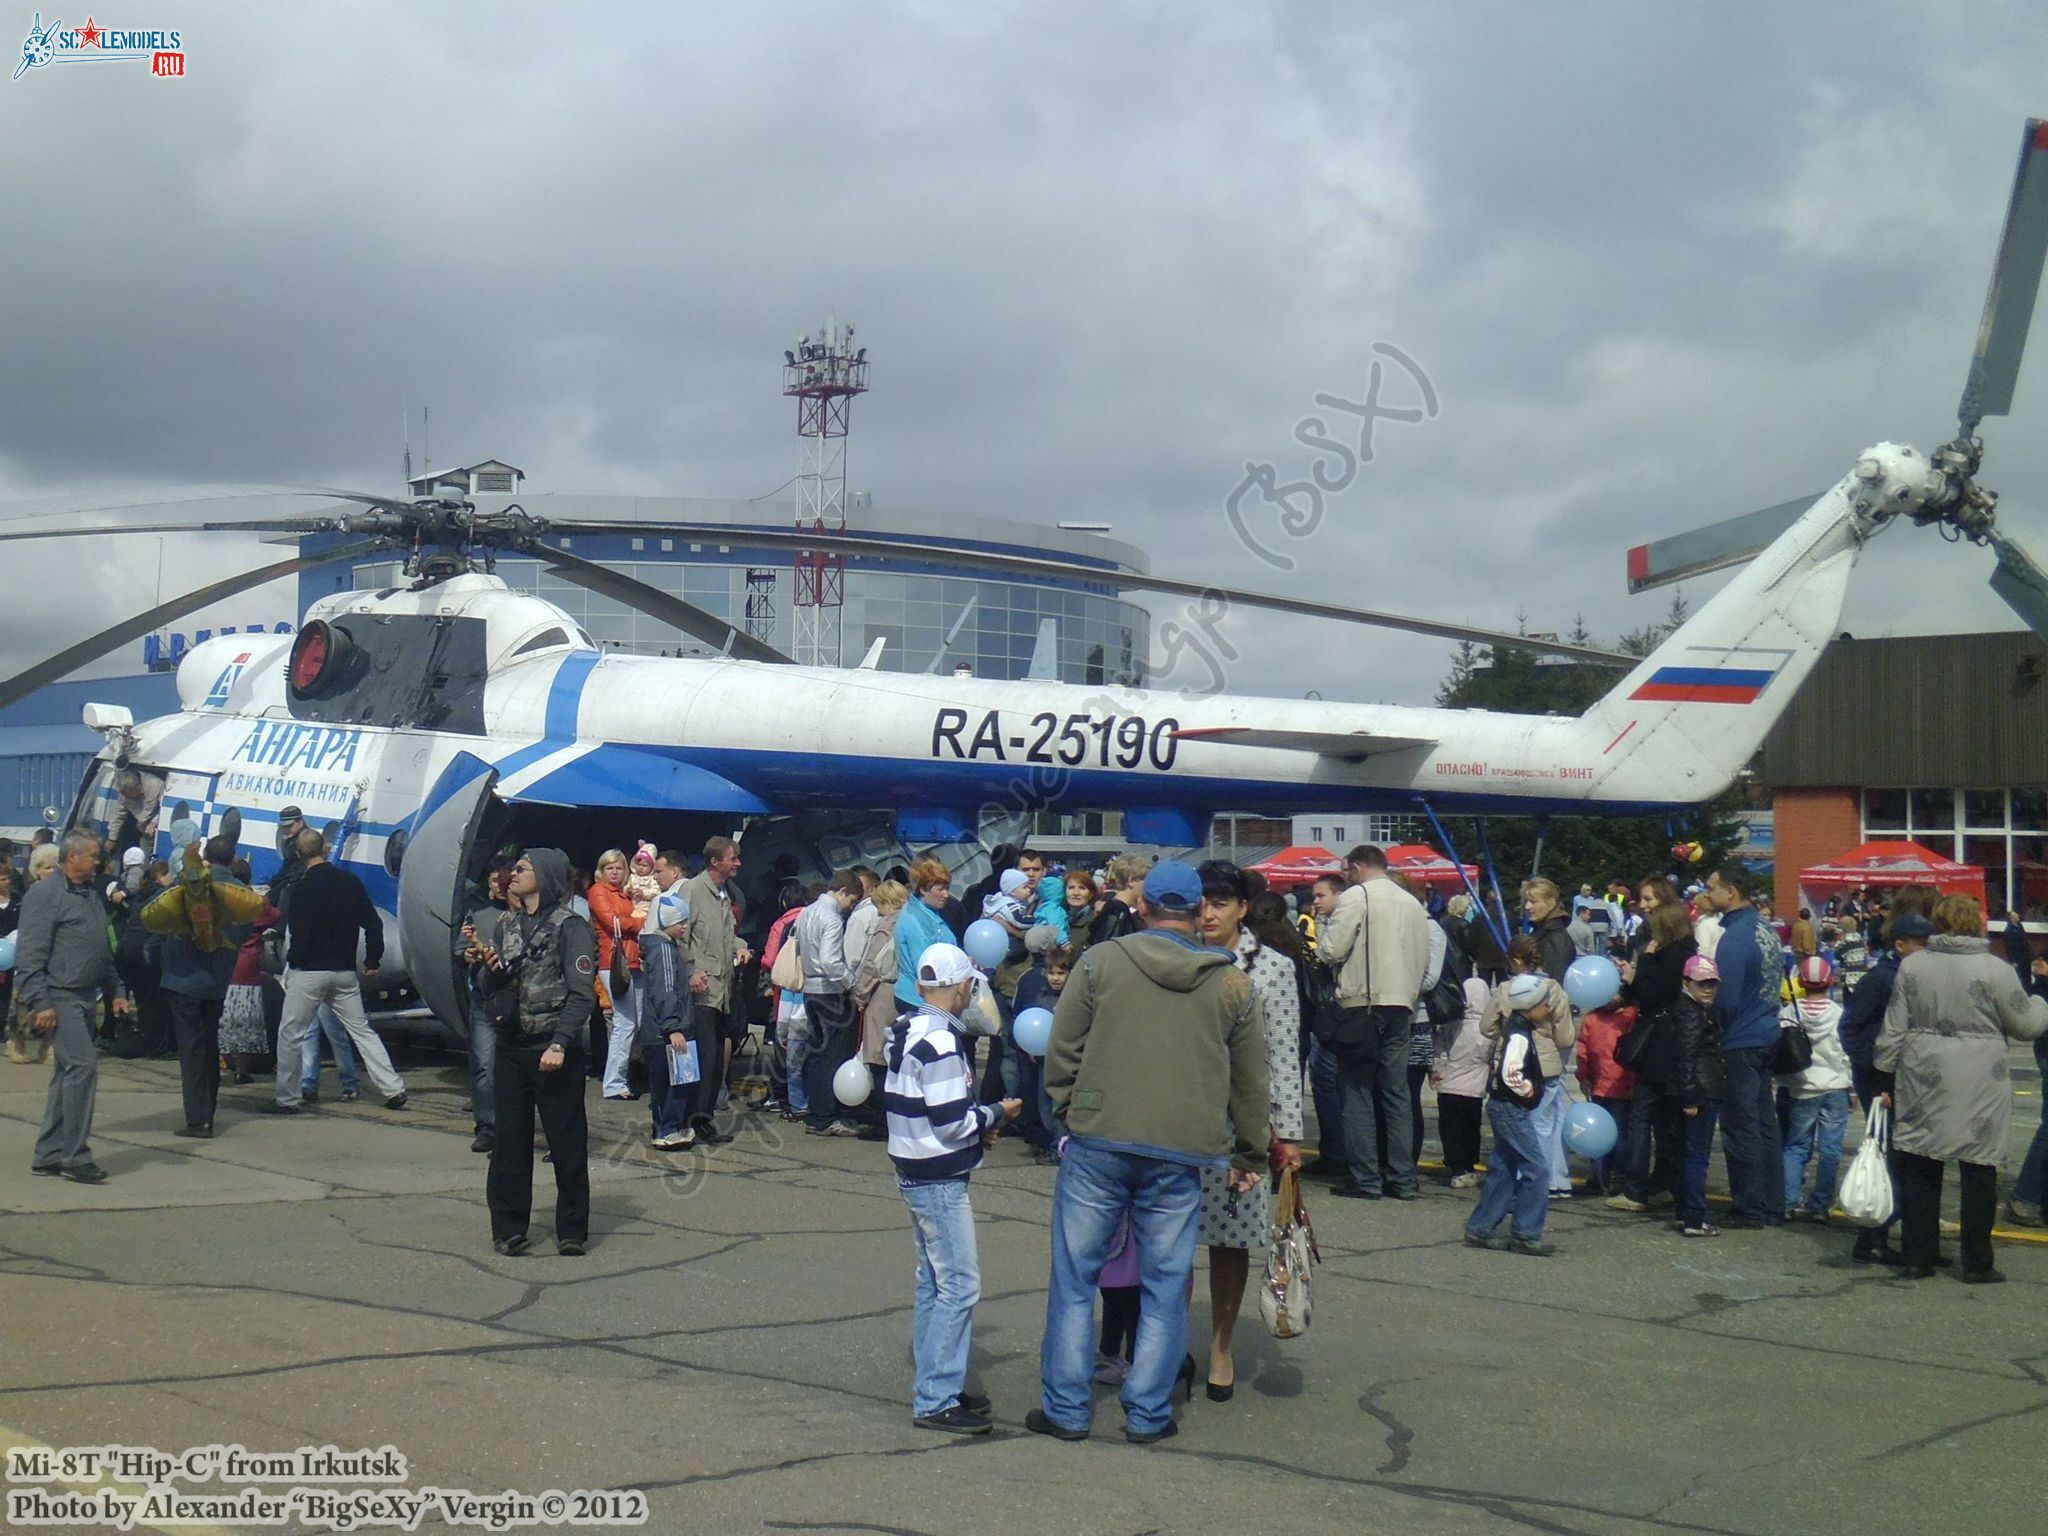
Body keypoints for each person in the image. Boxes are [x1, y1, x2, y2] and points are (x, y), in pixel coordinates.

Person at [1034, 861, 1270, 1446]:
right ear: (1196, 914)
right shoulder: (1233, 983)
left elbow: (1061, 1048)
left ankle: (1066, 1410)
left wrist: (1069, 1109)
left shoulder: (1098, 963)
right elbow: (1250, 1082)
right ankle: (1146, 1413)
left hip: (1099, 1138)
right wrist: (1250, 1155)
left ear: (1141, 907)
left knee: (1074, 1280)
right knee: (1165, 1287)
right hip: (1181, 1149)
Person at [1875, 895, 2048, 1282]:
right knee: (1978, 1167)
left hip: (1923, 1071)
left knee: (1920, 1162)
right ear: (1977, 924)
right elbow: (2025, 1025)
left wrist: (1883, 1071)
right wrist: (2041, 1000)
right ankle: (1977, 1262)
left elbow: (1894, 1026)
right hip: (1979, 1076)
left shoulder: (1913, 966)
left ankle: (1919, 1256)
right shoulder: (1995, 969)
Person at [885, 941, 1021, 1434]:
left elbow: (923, 1107)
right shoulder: (943, 1041)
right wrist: (994, 1114)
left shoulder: (906, 1027)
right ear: (962, 986)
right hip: (938, 1172)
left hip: (913, 1163)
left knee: (934, 1281)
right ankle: (936, 1395)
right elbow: (948, 1121)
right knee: (960, 1285)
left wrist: (972, 1122)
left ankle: (940, 1378)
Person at [1192, 860, 1303, 1400]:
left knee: (1230, 1239)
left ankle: (1221, 1345)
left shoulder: (1272, 968)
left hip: (1240, 1121)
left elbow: (1283, 1053)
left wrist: (1287, 1134)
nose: (1207, 913)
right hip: (1177, 1113)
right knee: (1162, 1238)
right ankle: (1163, 1345)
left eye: (1219, 902)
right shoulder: (1175, 955)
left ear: (1241, 907)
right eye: (1201, 902)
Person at [475, 850, 596, 1255]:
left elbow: (582, 995)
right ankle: (508, 1227)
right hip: (511, 1046)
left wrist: (561, 1042)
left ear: (543, 877)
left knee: (566, 1141)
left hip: (551, 1048)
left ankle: (572, 1229)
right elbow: (488, 988)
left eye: (523, 869)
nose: (513, 874)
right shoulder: (505, 924)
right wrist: (487, 969)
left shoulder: (570, 926)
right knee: (509, 1141)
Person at [1318, 845, 1429, 1200]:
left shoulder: (1356, 898)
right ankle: (1403, 1177)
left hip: (1363, 1003)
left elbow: (1331, 950)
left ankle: (1365, 1177)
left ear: (1356, 867)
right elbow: (1423, 959)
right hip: (1403, 1003)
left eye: (1346, 870)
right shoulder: (1412, 903)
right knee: (1397, 1094)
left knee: (1357, 1092)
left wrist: (1322, 925)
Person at [17, 830, 129, 1182]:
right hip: (59, 995)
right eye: (93, 856)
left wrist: (116, 991)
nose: (99, 861)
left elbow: (102, 949)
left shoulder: (89, 894)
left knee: (68, 1073)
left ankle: (49, 1153)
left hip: (85, 996)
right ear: (72, 858)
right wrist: (41, 1001)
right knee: (83, 1067)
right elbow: (30, 955)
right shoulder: (45, 895)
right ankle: (75, 1156)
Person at [268, 830, 406, 1112]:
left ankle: (287, 1098)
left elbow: (300, 936)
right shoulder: (350, 883)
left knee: (291, 1033)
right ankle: (393, 1088)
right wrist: (372, 960)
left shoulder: (302, 889)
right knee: (362, 1031)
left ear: (298, 854)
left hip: (309, 971)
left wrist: (293, 962)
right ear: (327, 850)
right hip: (344, 971)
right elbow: (373, 923)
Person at [1838, 907, 1932, 1263]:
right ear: (1901, 944)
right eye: (1921, 942)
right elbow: (1850, 1028)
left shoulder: (1913, 976)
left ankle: (1908, 1238)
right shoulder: (1880, 979)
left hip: (1905, 1079)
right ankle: (1872, 1236)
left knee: (1907, 1158)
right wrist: (1876, 1079)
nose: (1927, 947)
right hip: (1882, 1083)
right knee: (1887, 1158)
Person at [151, 836, 256, 1138]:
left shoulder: (188, 886)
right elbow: (245, 929)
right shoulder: (242, 894)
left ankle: (198, 1119)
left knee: (191, 1049)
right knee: (211, 1045)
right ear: (233, 858)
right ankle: (208, 1109)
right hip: (218, 980)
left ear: (207, 857)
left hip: (183, 978)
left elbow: (156, 915)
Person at [1701, 865, 1785, 1228]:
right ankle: (1772, 1204)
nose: (1708, 893)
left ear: (1730, 892)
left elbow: (1724, 996)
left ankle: (1749, 1206)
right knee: (1765, 1123)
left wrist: (1712, 1027)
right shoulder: (1765, 928)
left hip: (1741, 1037)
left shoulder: (1734, 938)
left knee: (1740, 1123)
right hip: (1768, 1030)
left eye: (1712, 887)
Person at [1464, 972, 1563, 1256]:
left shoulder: (1517, 1028)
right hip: (1511, 1107)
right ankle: (1526, 1232)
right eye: (1545, 1002)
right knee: (1537, 1169)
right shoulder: (1519, 1035)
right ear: (1530, 1006)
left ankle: (1481, 1227)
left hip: (1503, 1105)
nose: (1548, 1006)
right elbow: (1511, 1072)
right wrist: (1529, 1090)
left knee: (1505, 1167)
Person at [1608, 899, 1697, 1213]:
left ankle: (1635, 1189)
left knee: (1641, 1115)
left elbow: (1648, 994)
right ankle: (1666, 1182)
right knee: (1668, 1120)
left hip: (1658, 1043)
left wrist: (1643, 964)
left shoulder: (1666, 957)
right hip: (1679, 1042)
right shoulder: (1691, 954)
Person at [676, 838, 752, 1142]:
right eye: (732, 859)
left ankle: (703, 1119)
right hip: (702, 990)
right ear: (714, 862)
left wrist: (742, 947)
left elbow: (728, 935)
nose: (737, 864)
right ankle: (693, 1120)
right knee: (705, 1058)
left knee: (717, 1059)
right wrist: (691, 969)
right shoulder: (693, 891)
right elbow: (679, 936)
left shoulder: (724, 894)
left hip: (722, 989)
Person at [1781, 955, 1852, 1221]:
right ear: (1830, 981)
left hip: (1802, 1087)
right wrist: (1851, 1088)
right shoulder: (1838, 1014)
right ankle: (1821, 1205)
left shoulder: (1789, 1012)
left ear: (1800, 982)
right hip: (1835, 1086)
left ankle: (1788, 1201)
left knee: (1796, 1145)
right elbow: (1846, 1054)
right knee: (1831, 1148)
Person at [1664, 955, 1730, 1237]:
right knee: (1696, 1155)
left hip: (1699, 1089)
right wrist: (1690, 1097)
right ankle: (1693, 1216)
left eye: (1712, 983)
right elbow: (1686, 1057)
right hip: (1700, 1092)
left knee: (1686, 1153)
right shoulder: (1691, 1013)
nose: (1708, 989)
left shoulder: (1693, 1010)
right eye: (1701, 983)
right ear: (1686, 983)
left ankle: (1685, 1212)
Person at [798, 871, 863, 1136]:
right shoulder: (833, 918)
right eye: (852, 901)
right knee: (832, 1055)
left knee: (816, 1054)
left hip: (810, 989)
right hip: (829, 991)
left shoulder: (808, 912)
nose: (850, 907)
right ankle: (827, 1116)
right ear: (844, 891)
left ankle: (816, 1113)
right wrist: (852, 983)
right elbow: (830, 961)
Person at [635, 889, 699, 1150]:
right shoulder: (662, 949)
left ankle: (667, 1127)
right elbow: (666, 989)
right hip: (667, 1030)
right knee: (676, 1081)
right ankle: (668, 1128)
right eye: (680, 922)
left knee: (664, 1082)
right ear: (665, 921)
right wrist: (673, 1027)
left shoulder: (656, 946)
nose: (685, 927)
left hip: (658, 1029)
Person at [588, 850, 644, 1102]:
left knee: (638, 1021)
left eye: (619, 868)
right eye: (609, 867)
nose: (614, 872)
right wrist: (641, 922)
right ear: (601, 870)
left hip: (634, 962)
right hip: (614, 962)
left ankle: (627, 1074)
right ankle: (614, 1083)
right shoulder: (598, 891)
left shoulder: (626, 894)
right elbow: (614, 924)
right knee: (625, 1022)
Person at [1431, 973, 1492, 1186]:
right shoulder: (1488, 1029)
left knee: (1450, 1129)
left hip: (1448, 1086)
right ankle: (1469, 1166)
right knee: (1470, 1129)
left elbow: (1438, 1049)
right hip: (1473, 1089)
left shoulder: (1453, 1023)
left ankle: (1456, 1167)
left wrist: (1435, 1071)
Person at [1574, 997, 1638, 1196]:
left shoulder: (1630, 1016)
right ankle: (1600, 1175)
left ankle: (1618, 1176)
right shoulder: (1592, 1018)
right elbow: (1583, 1050)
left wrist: (1635, 1083)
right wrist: (1583, 1076)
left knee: (1620, 1135)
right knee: (1598, 1134)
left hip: (1622, 1086)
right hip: (1599, 1086)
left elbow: (1636, 1051)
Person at [1090, 854, 1149, 947]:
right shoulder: (1117, 912)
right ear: (1131, 880)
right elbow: (1107, 950)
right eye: (1145, 880)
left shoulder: (1114, 909)